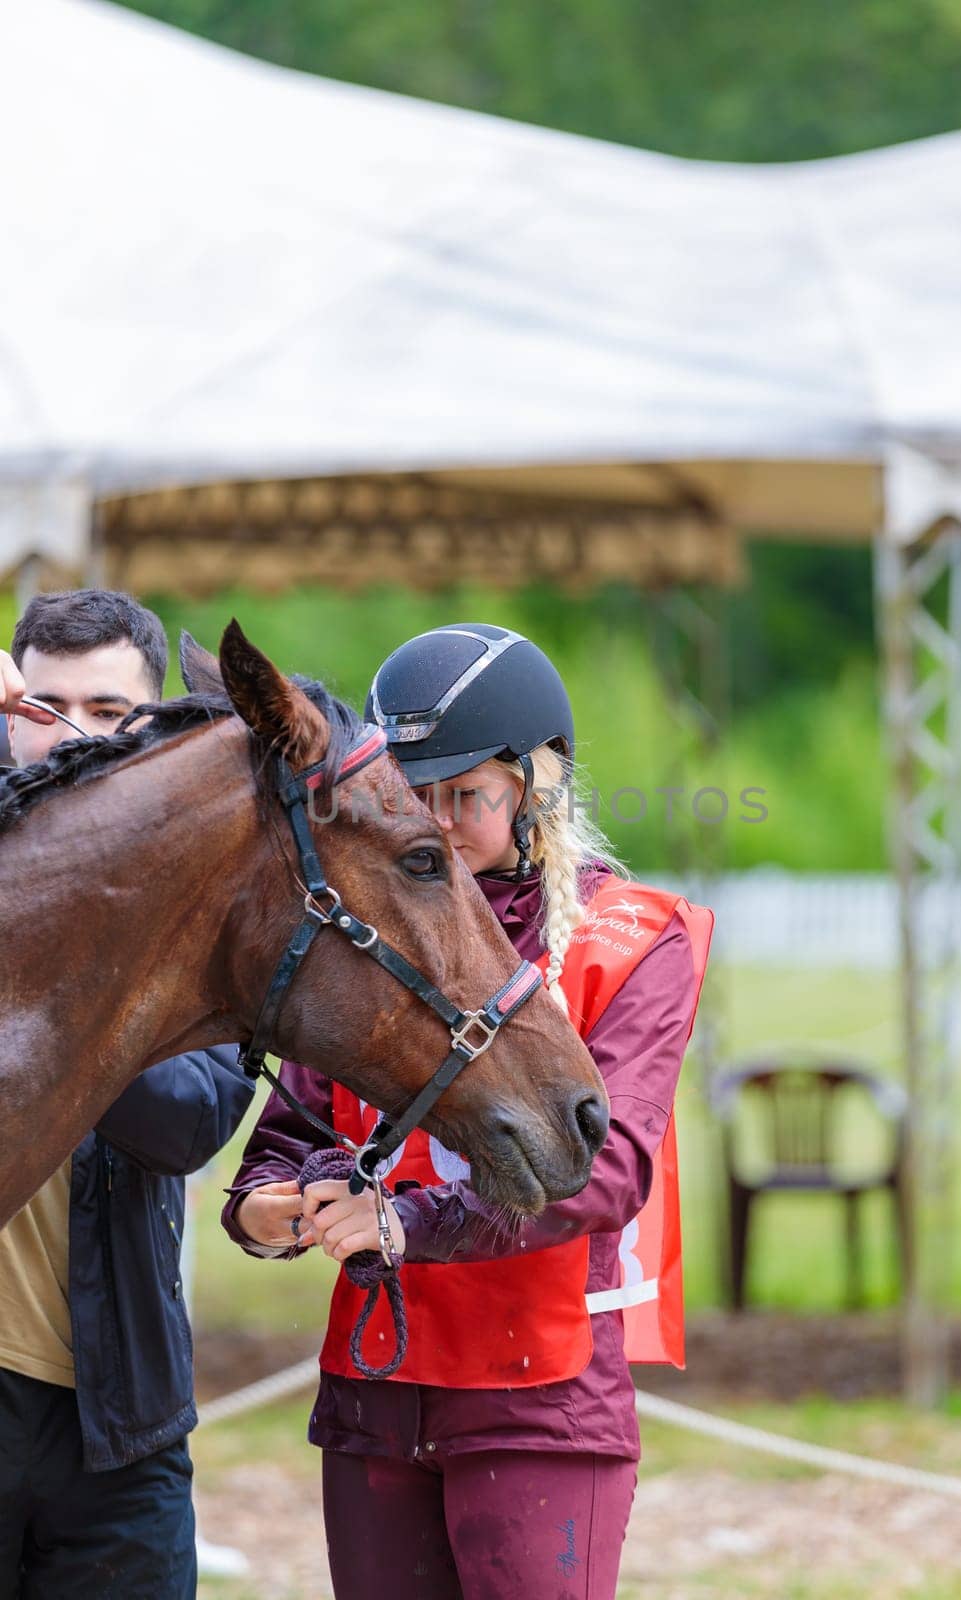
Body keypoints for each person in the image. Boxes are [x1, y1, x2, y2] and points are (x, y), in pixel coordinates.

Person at [223, 621, 713, 1600]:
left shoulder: (631, 936)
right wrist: (269, 1206)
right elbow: (289, 1138)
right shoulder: (363, 936)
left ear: (534, 782)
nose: (438, 822)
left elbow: (606, 1172)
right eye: (414, 798)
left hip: (540, 1393)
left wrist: (405, 1223)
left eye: (465, 795)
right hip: (374, 1384)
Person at [0, 590, 254, 1600]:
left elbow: (184, 1119)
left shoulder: (209, 905)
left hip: (120, 1422)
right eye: (43, 704)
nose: (69, 734)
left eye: (107, 713)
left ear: (155, 729)